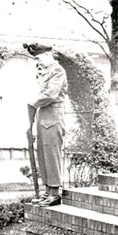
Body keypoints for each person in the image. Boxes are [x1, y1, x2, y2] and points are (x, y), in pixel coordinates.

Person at [24, 43, 68, 207]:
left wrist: (33, 102)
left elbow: (50, 94)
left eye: (39, 58)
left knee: (51, 154)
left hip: (53, 117)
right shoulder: (44, 73)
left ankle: (55, 193)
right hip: (43, 116)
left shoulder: (58, 71)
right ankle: (48, 191)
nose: (39, 62)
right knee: (43, 155)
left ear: (48, 55)